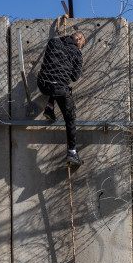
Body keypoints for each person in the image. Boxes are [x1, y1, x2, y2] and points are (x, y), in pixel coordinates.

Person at [38, 31, 86, 167]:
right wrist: (76, 54)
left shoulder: (53, 41)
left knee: (55, 79)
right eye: (81, 44)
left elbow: (49, 61)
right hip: (59, 89)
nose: (80, 47)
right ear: (78, 39)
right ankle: (72, 152)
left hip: (43, 84)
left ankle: (49, 107)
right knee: (70, 118)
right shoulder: (76, 52)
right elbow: (75, 77)